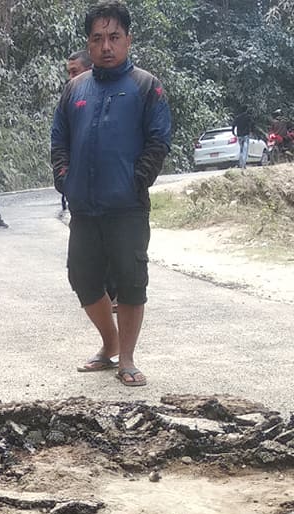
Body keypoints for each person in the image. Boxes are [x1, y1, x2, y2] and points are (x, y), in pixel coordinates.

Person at [51, 2, 170, 387]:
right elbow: (59, 139)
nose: (106, 46)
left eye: (114, 37)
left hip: (127, 207)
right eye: (98, 38)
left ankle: (128, 359)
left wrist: (135, 182)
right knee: (82, 278)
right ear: (89, 43)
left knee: (131, 280)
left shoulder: (146, 86)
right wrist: (64, 177)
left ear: (128, 40)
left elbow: (158, 142)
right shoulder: (75, 88)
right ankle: (109, 343)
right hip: (84, 206)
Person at [60, 51, 92, 215]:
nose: (71, 78)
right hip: (78, 191)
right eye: (69, 73)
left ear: (89, 70)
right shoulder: (68, 98)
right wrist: (63, 180)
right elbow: (59, 140)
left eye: (75, 72)